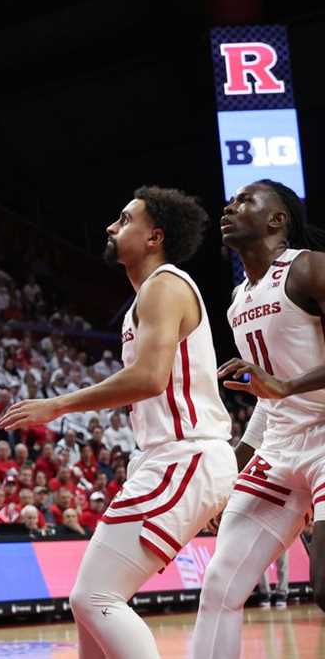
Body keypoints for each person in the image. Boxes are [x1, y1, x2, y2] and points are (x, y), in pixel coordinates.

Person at [0, 187, 236, 659]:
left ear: (155, 236)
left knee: (94, 597)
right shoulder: (146, 298)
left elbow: (149, 378)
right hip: (171, 458)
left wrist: (58, 405)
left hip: (183, 455)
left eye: (125, 219)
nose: (111, 227)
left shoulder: (165, 285)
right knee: (91, 605)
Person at [191, 180, 325, 658]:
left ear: (277, 220)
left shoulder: (310, 267)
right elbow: (268, 400)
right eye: (230, 200)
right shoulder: (236, 300)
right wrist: (229, 469)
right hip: (281, 447)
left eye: (245, 200)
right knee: (221, 584)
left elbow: (278, 386)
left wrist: (285, 386)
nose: (230, 206)